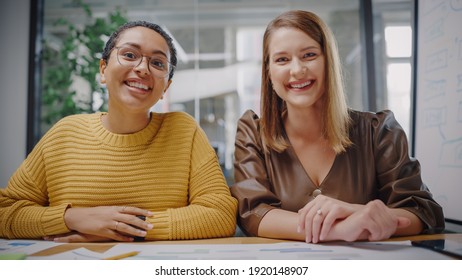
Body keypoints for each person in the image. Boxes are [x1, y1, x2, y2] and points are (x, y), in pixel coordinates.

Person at [0, 21, 237, 242]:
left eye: (157, 63)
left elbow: (220, 213)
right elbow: (5, 211)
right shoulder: (65, 134)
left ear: (166, 86)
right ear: (103, 70)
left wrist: (124, 229)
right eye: (129, 55)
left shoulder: (184, 131)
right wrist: (73, 218)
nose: (143, 68)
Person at [231, 10, 444, 243]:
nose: (297, 70)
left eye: (309, 55)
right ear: (268, 71)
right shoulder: (252, 133)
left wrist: (355, 212)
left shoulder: (379, 131)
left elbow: (422, 213)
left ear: (329, 61)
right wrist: (340, 229)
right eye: (282, 59)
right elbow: (253, 213)